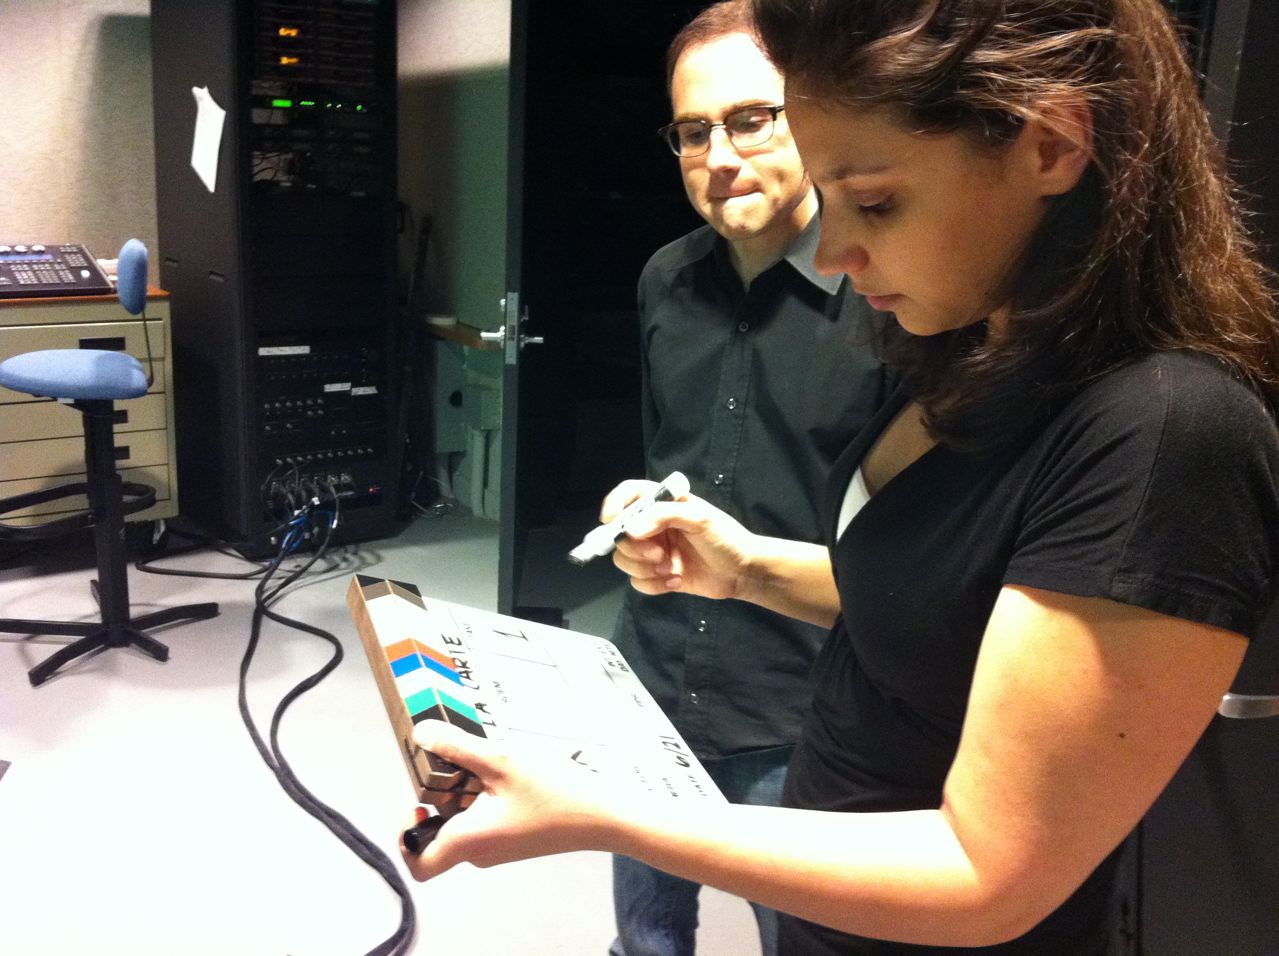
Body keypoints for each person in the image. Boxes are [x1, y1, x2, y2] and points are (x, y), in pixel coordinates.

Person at [400, 2, 1279, 954]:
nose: (832, 251)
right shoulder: (961, 344)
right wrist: (740, 567)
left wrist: (602, 811)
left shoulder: (1165, 434)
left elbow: (986, 874)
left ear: (1051, 145)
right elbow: (924, 612)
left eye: (874, 199)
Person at [608, 4, 893, 955]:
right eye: (694, 132)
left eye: (750, 118)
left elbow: (917, 565)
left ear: (807, 113)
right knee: (647, 944)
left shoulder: (891, 292)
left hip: (800, 711)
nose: (720, 154)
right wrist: (632, 509)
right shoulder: (662, 281)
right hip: (649, 687)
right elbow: (668, 458)